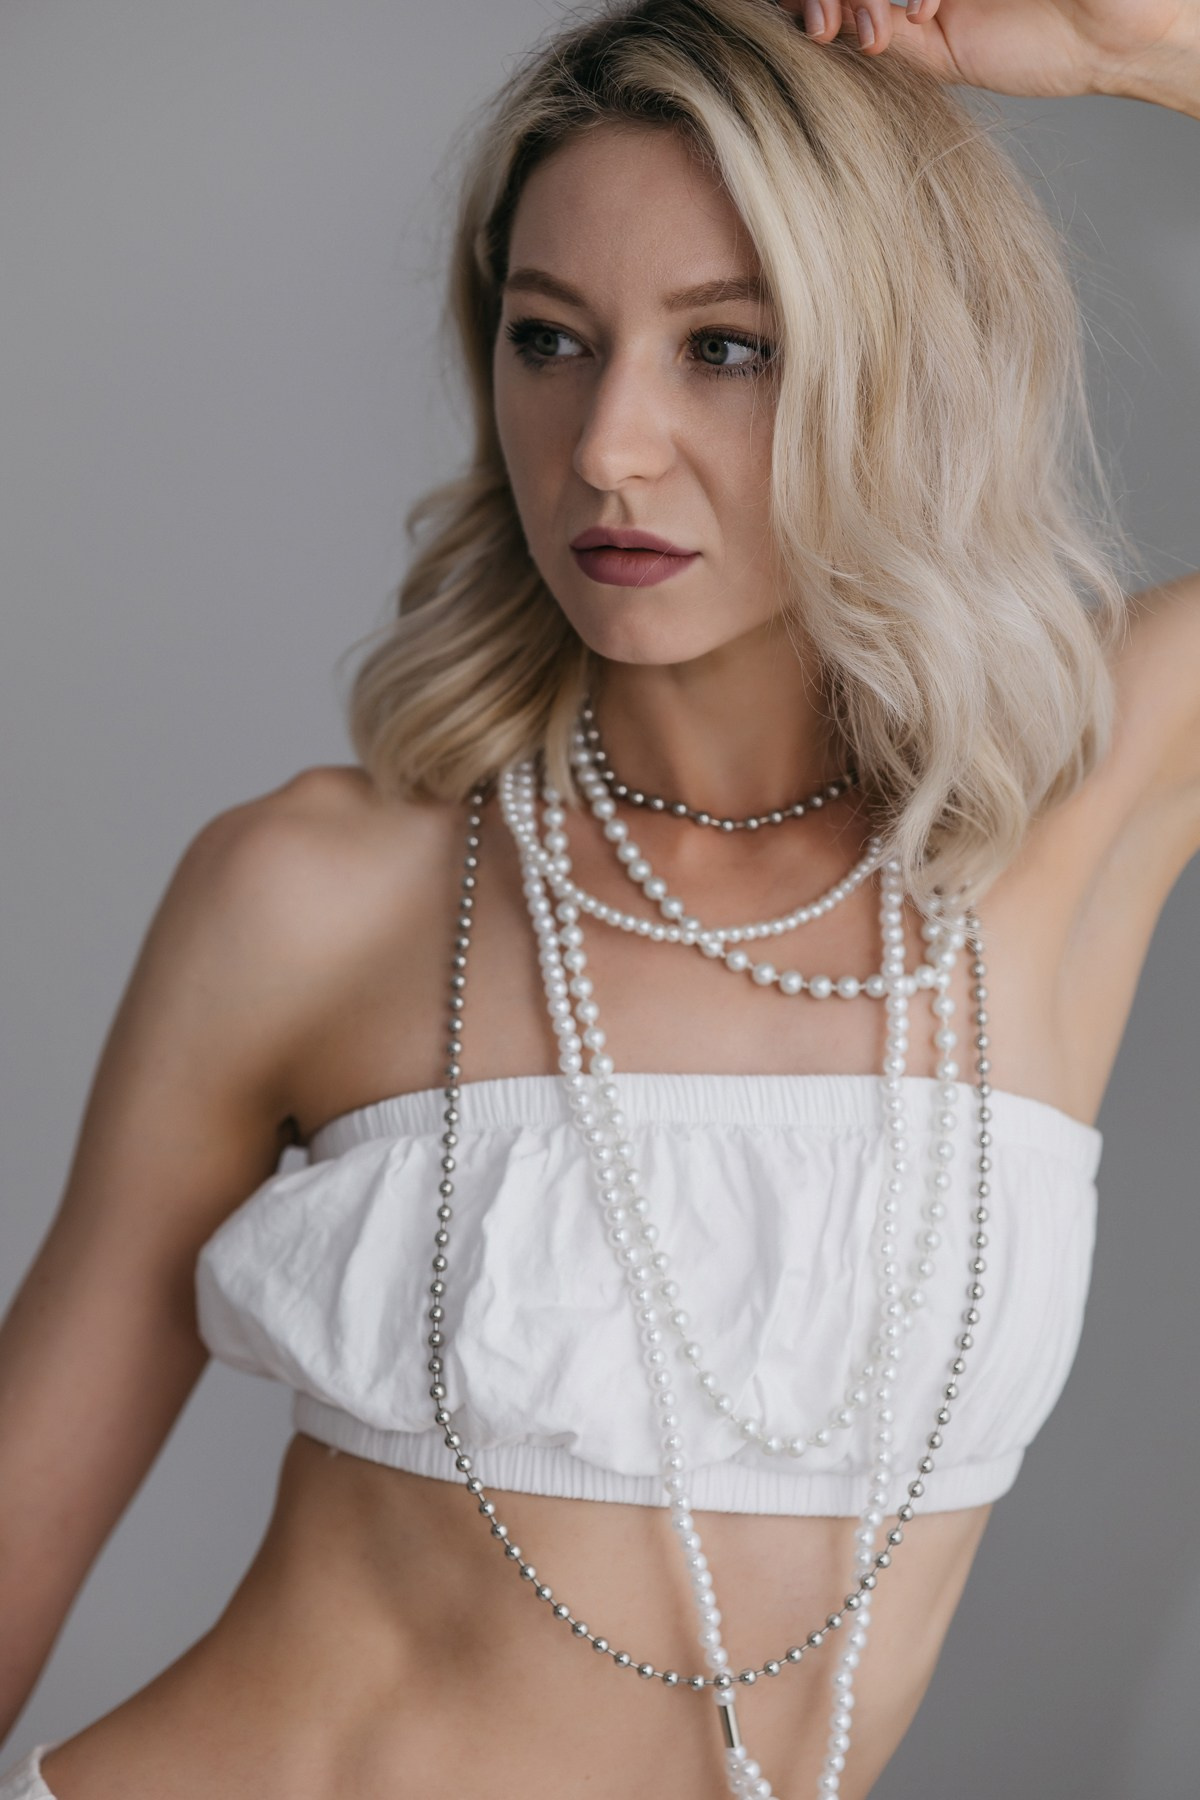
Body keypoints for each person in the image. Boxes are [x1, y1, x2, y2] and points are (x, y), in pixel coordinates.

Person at [0, 1, 1197, 1795]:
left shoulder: (1070, 814)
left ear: (907, 363)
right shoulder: (317, 895)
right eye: (550, 338)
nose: (611, 444)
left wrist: (1143, 49)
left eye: (728, 347)